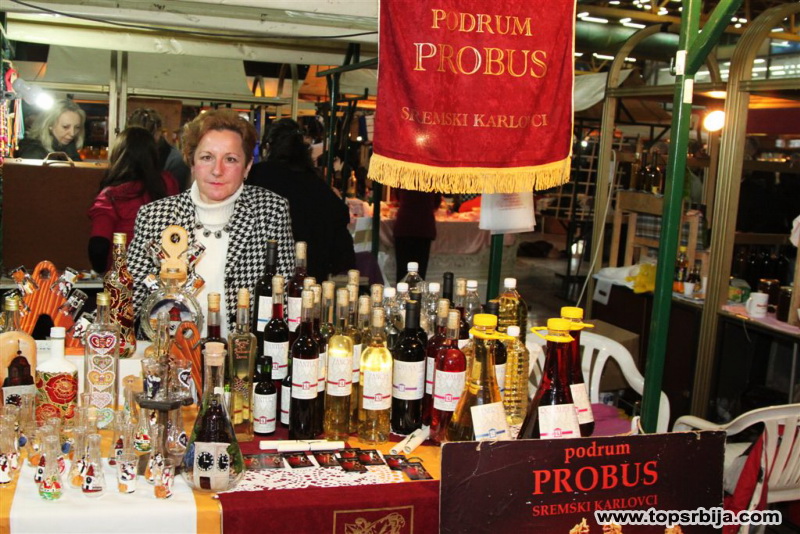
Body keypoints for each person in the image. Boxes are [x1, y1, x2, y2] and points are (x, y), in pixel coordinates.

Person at [127, 109, 295, 336]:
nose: (217, 170)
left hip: (241, 352)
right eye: (207, 157)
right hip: (169, 352)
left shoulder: (270, 212)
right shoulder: (155, 216)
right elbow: (129, 301)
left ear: (247, 167)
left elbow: (283, 298)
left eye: (231, 159)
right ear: (192, 163)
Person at [248, 118, 355, 282]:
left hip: (262, 271)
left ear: (269, 147)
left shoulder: (256, 176)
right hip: (310, 275)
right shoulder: (316, 183)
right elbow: (339, 220)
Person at [87, 127, 180, 273]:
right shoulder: (167, 183)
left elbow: (98, 246)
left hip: (125, 275)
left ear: (117, 156)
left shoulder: (111, 196)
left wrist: (101, 273)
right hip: (164, 272)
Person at [127, 108, 191, 191]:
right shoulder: (129, 155)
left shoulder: (175, 161)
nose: (142, 139)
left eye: (147, 133)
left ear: (159, 132)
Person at [393, 188, 441, 283]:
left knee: (402, 270)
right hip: (424, 227)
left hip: (404, 226)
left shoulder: (403, 180)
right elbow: (436, 202)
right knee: (420, 272)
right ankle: (417, 292)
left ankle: (401, 291)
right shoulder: (432, 181)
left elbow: (397, 197)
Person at [15, 99, 85, 160]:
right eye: (65, 127)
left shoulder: (70, 150)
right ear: (50, 124)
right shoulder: (34, 152)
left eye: (77, 127)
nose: (72, 133)